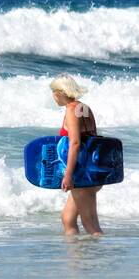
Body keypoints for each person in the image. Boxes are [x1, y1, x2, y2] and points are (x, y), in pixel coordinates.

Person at [50, 75, 102, 236]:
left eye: (53, 92)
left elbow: (75, 143)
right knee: (68, 218)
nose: (53, 96)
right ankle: (77, 258)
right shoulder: (83, 107)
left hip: (81, 173)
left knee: (90, 224)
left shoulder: (72, 110)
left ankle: (98, 259)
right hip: (92, 169)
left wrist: (68, 175)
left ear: (60, 92)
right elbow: (91, 138)